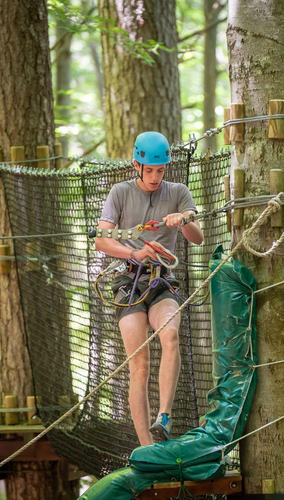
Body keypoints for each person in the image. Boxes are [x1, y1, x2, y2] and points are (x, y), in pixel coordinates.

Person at [95, 131, 204, 445]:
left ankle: (164, 416)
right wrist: (135, 253)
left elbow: (197, 238)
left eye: (161, 170)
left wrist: (183, 220)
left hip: (162, 281)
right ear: (137, 165)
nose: (156, 177)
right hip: (129, 282)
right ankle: (146, 446)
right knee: (139, 363)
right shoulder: (120, 192)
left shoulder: (178, 192)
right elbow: (102, 240)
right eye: (150, 170)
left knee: (170, 334)